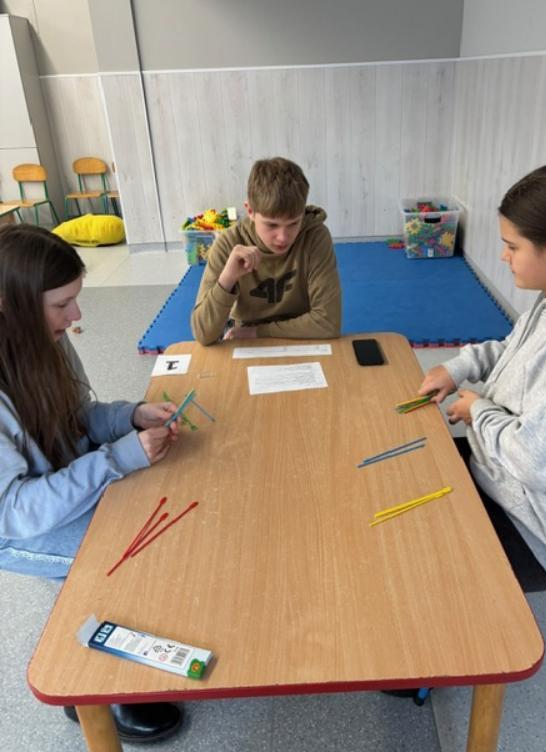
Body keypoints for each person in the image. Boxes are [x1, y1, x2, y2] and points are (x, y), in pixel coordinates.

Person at [0, 224, 182, 742]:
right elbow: (16, 512)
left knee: (152, 517)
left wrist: (130, 416)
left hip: (55, 484)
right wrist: (116, 460)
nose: (76, 315)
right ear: (9, 306)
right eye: (62, 304)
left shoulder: (48, 341)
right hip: (14, 526)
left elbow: (79, 415)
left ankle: (97, 659)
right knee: (122, 552)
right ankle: (92, 689)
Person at [419, 161, 546, 592]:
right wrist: (459, 368)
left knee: (425, 567)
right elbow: (514, 350)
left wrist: (479, 411)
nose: (504, 256)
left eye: (511, 246)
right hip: (503, 473)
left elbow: (540, 464)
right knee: (413, 471)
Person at [191, 157, 342, 345]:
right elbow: (203, 334)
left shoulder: (315, 236)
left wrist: (258, 332)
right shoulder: (229, 243)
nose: (283, 237)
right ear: (250, 211)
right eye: (272, 225)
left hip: (300, 336)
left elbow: (328, 323)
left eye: (293, 223)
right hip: (254, 334)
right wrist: (228, 278)